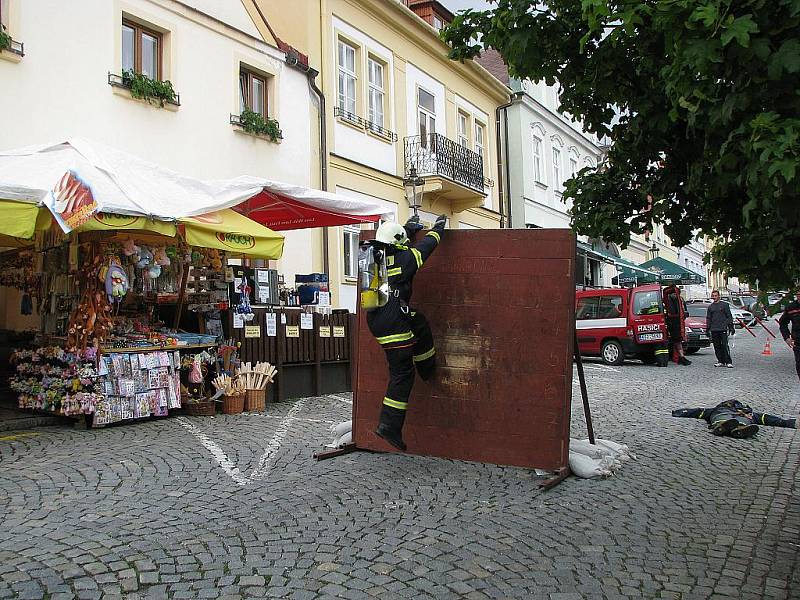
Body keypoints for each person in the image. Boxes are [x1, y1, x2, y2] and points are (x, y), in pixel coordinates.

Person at [367, 213, 447, 451]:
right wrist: (438, 229)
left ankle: (426, 366)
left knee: (419, 321)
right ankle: (389, 426)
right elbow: (426, 247)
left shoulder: (375, 260)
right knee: (402, 373)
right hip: (394, 325)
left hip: (378, 319)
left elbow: (394, 243)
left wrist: (407, 230)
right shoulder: (405, 259)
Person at [672, 399, 796, 438]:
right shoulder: (749, 412)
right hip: (739, 416)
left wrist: (679, 412)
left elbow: (698, 412)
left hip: (726, 415)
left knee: (724, 419)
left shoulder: (716, 409)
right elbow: (767, 418)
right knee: (737, 420)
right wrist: (787, 423)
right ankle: (737, 429)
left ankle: (729, 428)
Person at [706, 289, 735, 368]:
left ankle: (728, 361)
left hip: (723, 329)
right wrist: (707, 329)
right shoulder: (710, 307)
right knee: (716, 346)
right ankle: (720, 361)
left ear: (719, 296)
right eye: (713, 296)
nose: (714, 297)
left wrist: (731, 327)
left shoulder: (724, 305)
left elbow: (729, 316)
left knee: (724, 345)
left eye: (715, 296)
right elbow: (708, 318)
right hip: (714, 329)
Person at [663, 284, 690, 365]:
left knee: (677, 341)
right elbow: (676, 312)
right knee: (677, 340)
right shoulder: (674, 298)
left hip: (676, 321)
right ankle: (680, 357)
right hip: (675, 322)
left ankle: (678, 357)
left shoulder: (672, 298)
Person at [778, 289, 800, 382]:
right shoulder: (791, 307)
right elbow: (783, 323)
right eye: (798, 294)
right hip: (798, 342)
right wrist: (786, 338)